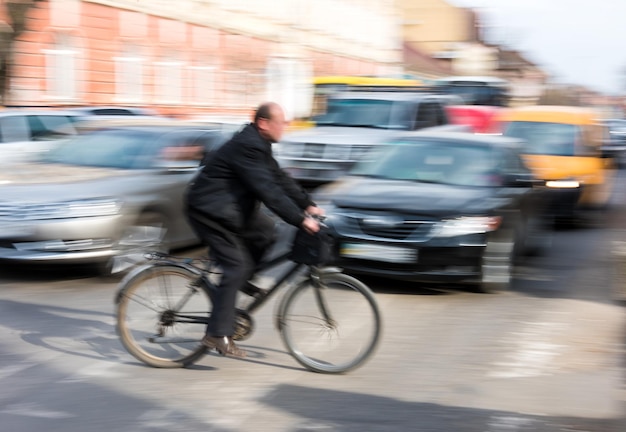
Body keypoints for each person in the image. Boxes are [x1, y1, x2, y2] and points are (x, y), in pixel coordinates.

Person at [184, 102, 324, 358]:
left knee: (267, 231)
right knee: (235, 266)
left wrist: (308, 204)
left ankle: (241, 279)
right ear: (263, 123)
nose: (286, 126)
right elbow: (267, 190)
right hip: (209, 211)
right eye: (281, 121)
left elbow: (279, 178)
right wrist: (300, 220)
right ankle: (217, 334)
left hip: (232, 209)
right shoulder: (247, 146)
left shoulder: (259, 144)